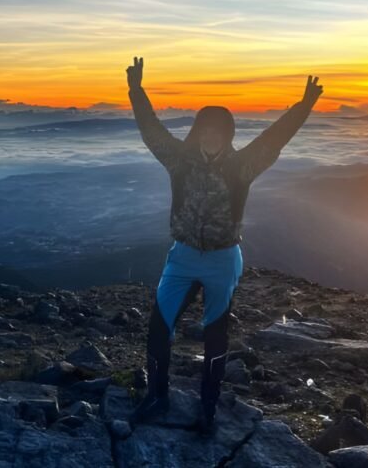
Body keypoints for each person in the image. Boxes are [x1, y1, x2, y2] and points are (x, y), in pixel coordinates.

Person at [126, 56, 323, 434]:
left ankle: (208, 408)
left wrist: (303, 106)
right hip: (182, 256)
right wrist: (136, 91)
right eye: (205, 130)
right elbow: (151, 130)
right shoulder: (179, 161)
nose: (211, 136)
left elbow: (274, 138)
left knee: (216, 336)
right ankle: (156, 397)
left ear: (228, 135)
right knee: (158, 328)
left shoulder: (242, 165)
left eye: (218, 131)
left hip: (222, 260)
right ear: (198, 132)